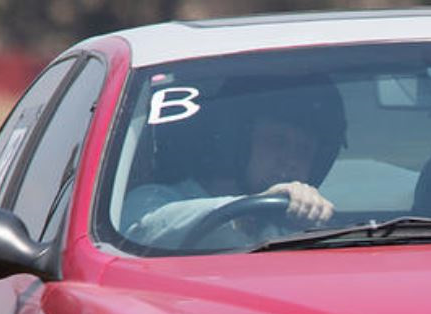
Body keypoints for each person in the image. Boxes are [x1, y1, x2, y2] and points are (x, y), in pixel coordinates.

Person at [123, 80, 342, 247]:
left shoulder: (294, 227)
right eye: (277, 142)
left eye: (304, 150)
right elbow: (140, 234)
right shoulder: (153, 200)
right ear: (237, 143)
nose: (291, 160)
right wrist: (249, 210)